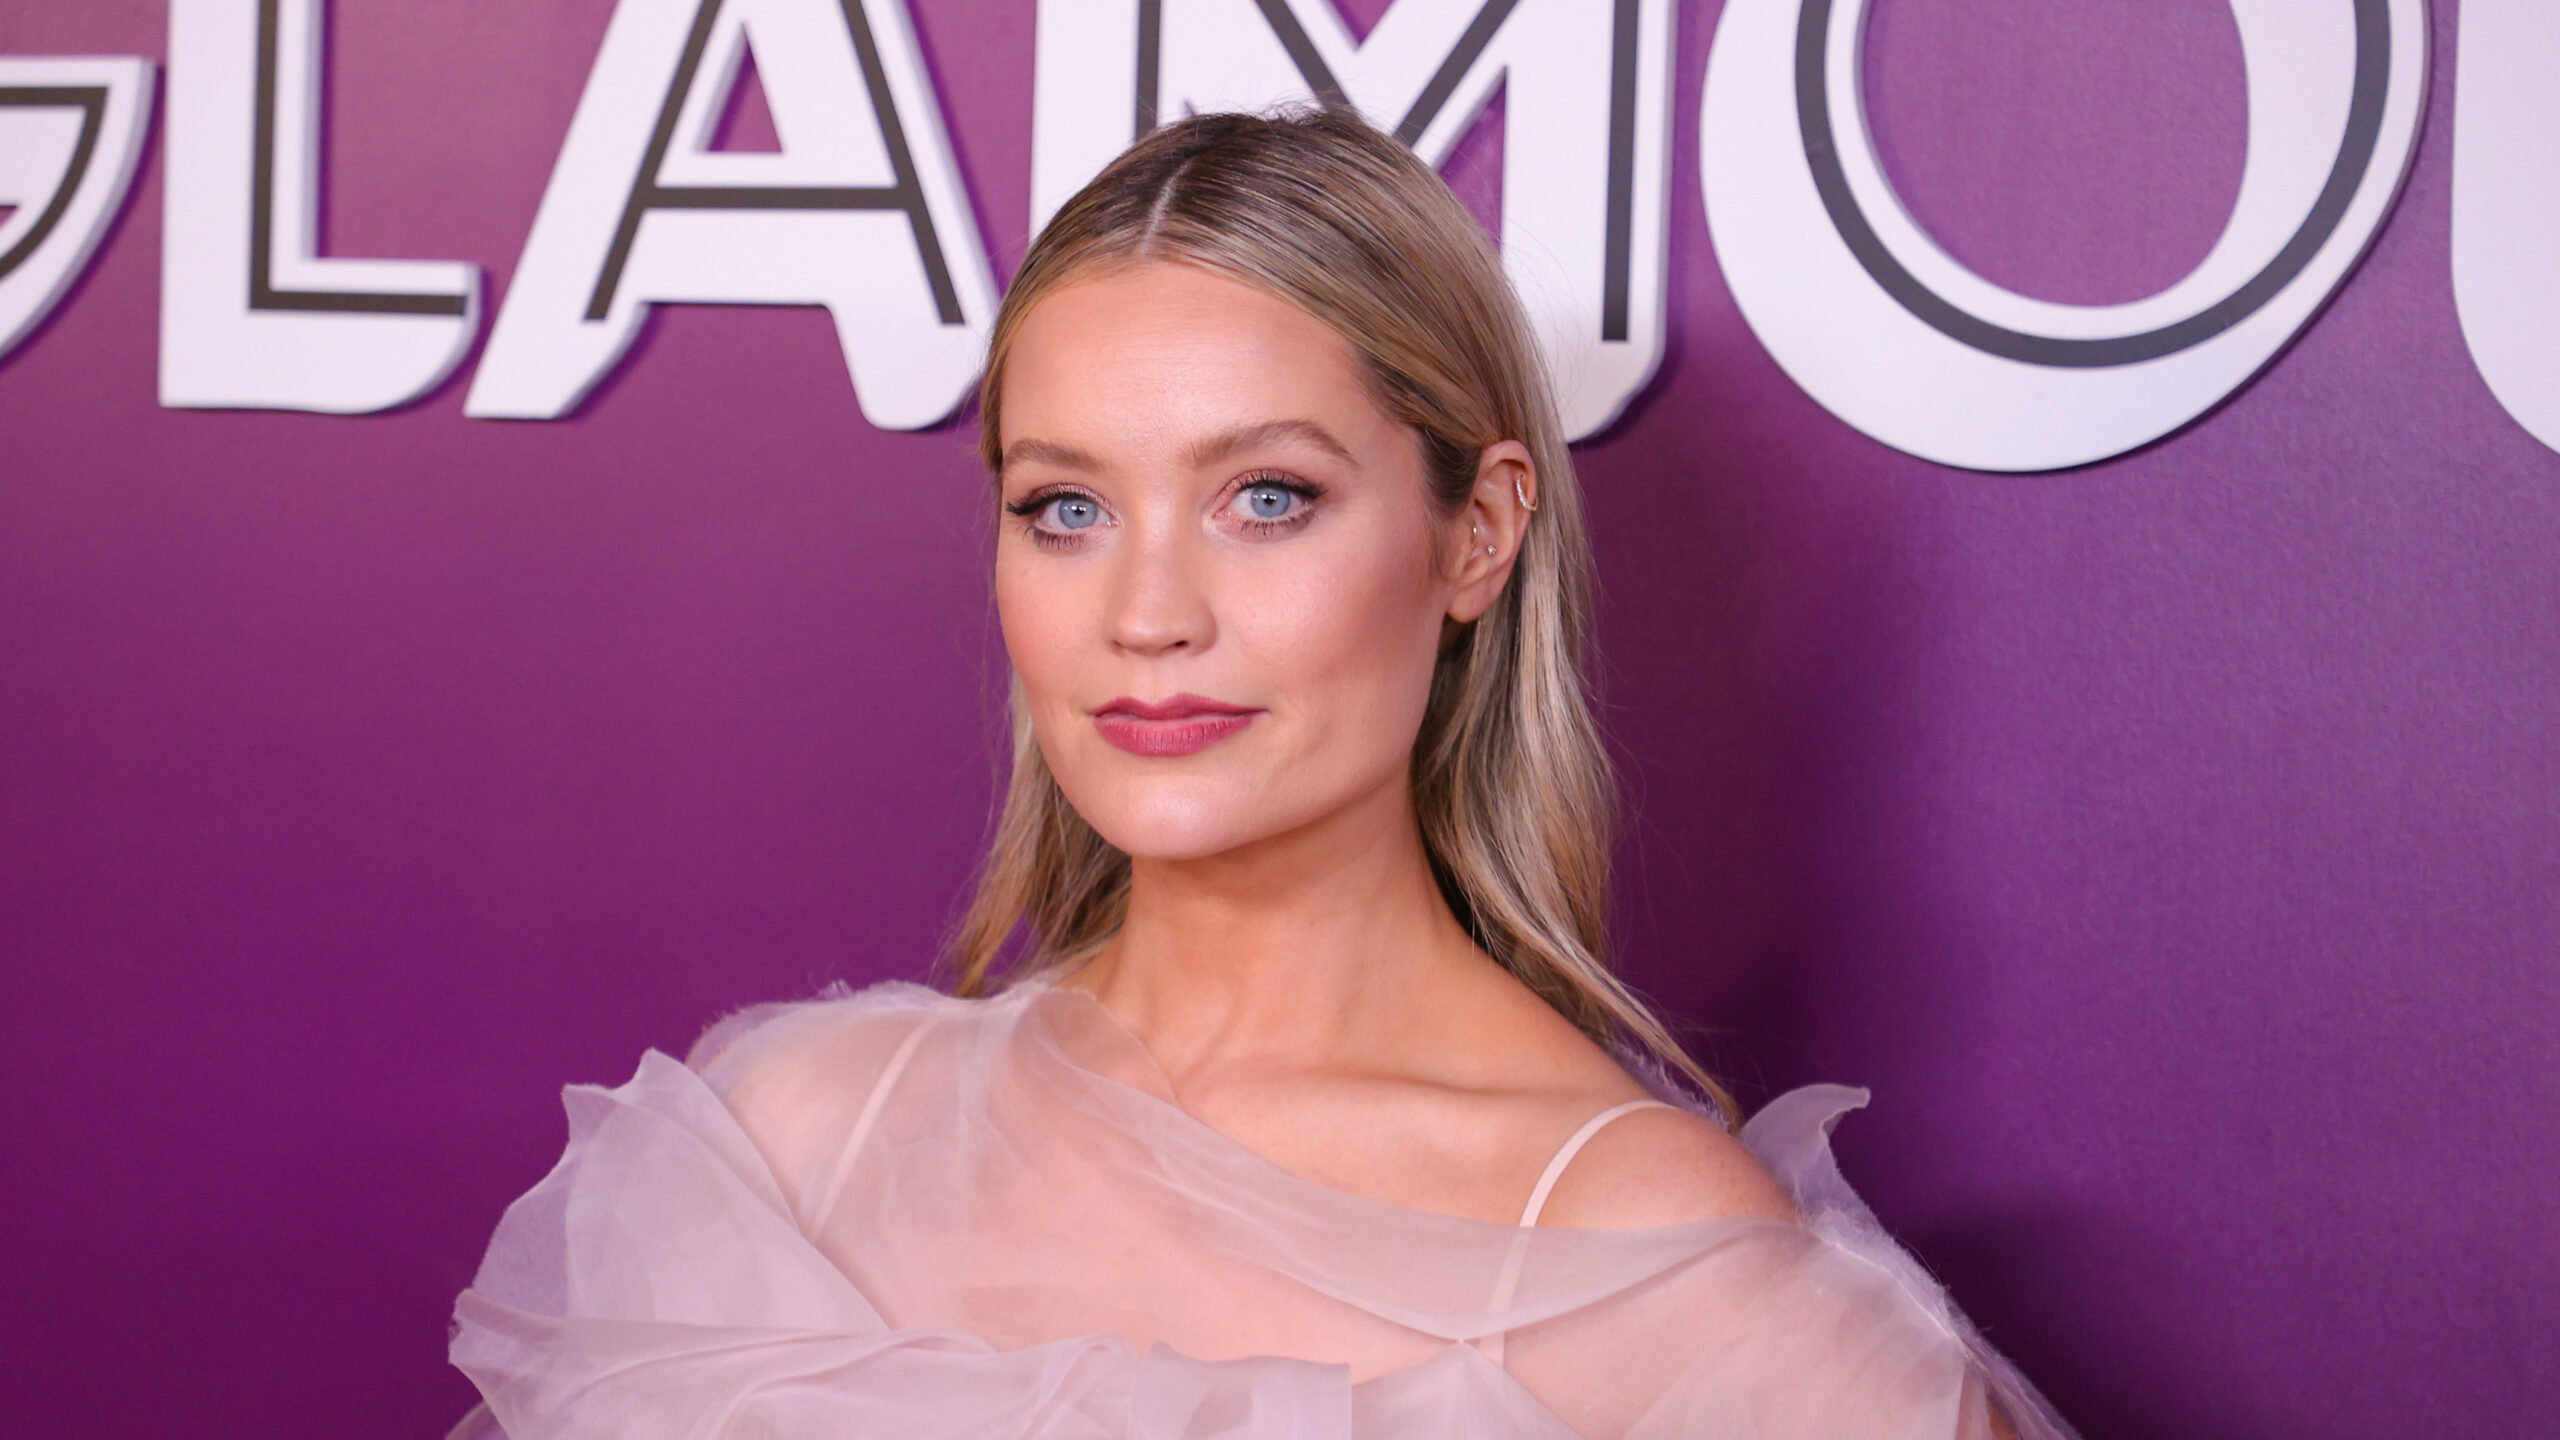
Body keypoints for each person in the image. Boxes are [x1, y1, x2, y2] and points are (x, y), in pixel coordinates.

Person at [447, 106, 2078, 1440]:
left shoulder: (1648, 1261)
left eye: (1268, 497)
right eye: (1065, 508)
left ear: (1479, 533)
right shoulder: (790, 1142)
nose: (1147, 616)